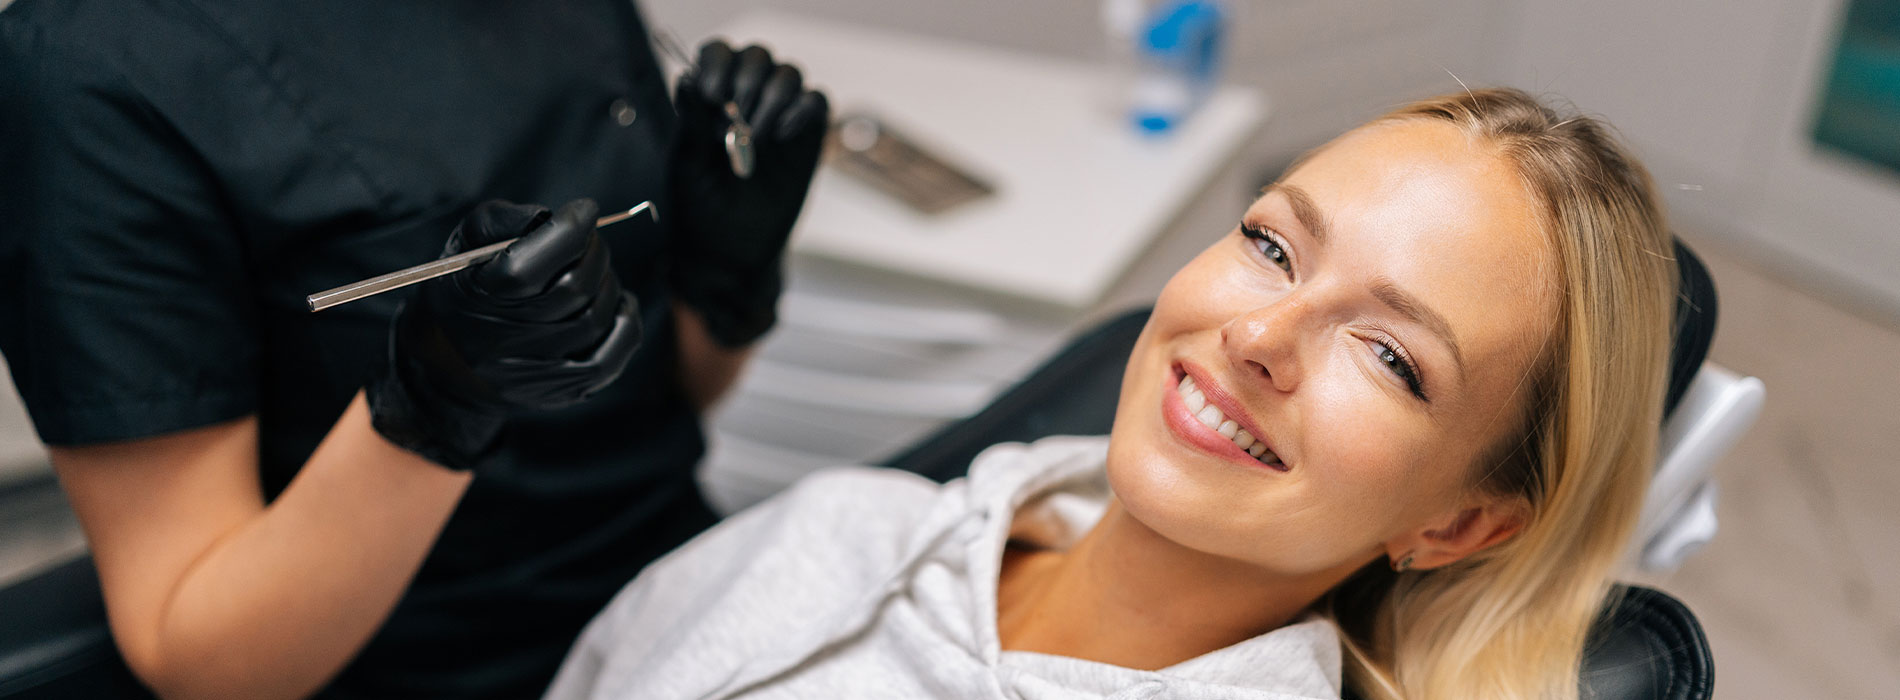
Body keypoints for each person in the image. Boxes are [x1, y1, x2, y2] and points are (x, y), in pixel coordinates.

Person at [542, 87, 1679, 700]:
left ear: (1458, 523)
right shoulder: (852, 521)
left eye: (1390, 355)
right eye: (1273, 247)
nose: (1257, 334)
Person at [0, 0, 826, 698]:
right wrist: (433, 406)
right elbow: (195, 656)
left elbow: (669, 399)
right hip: (436, 668)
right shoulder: (91, 72)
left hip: (692, 585)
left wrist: (731, 275)